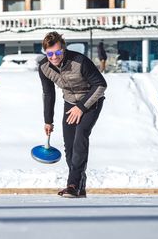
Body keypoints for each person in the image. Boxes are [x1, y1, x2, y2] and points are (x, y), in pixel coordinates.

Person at [38, 32, 107, 198]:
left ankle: (72, 184)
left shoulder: (79, 61)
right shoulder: (44, 67)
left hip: (91, 100)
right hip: (70, 103)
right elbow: (48, 94)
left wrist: (82, 107)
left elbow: (101, 85)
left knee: (80, 137)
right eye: (50, 53)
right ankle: (79, 185)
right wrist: (48, 121)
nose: (54, 57)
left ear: (64, 49)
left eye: (58, 53)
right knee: (69, 145)